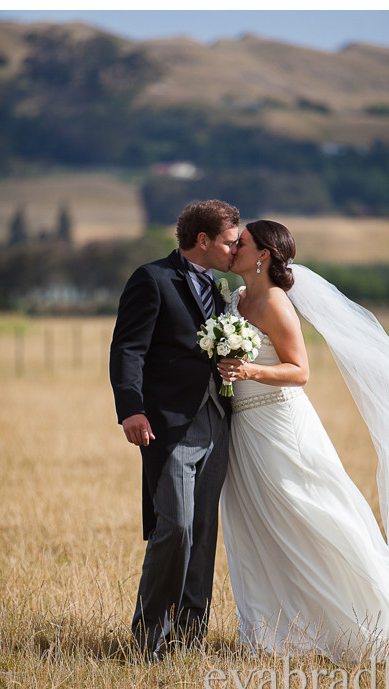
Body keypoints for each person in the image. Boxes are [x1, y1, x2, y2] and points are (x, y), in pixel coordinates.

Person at [216, 220, 389, 662]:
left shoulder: (274, 303)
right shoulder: (236, 298)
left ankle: (365, 620)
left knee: (311, 516)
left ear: (264, 255)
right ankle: (277, 629)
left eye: (244, 243)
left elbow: (300, 371)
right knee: (257, 525)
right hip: (245, 432)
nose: (234, 248)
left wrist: (249, 370)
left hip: (279, 426)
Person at [109, 200, 239, 661]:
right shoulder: (152, 279)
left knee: (204, 529)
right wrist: (131, 409)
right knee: (177, 526)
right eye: (228, 241)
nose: (235, 248)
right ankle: (148, 638)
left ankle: (190, 637)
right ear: (202, 240)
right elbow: (128, 349)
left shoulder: (225, 290)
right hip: (168, 424)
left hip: (218, 420)